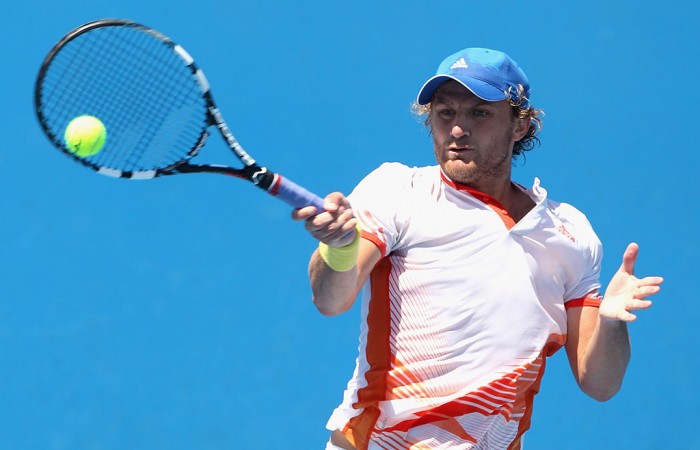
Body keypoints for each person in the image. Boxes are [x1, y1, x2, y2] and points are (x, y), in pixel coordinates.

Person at [292, 47, 664, 450]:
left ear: (519, 126)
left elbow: (600, 383)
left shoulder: (570, 231)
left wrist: (611, 321)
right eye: (445, 113)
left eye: (479, 113)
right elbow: (331, 299)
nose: (457, 129)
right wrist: (341, 247)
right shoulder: (399, 191)